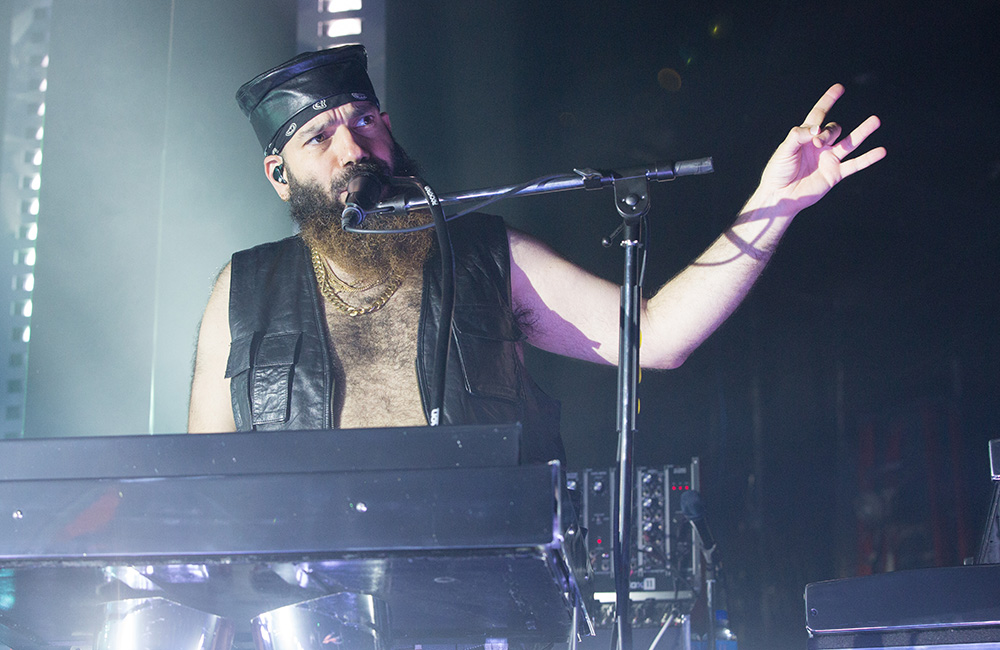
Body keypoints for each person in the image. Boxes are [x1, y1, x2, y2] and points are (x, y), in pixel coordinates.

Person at [187, 44, 885, 464]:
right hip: (304, 609)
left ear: (388, 129)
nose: (352, 149)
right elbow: (203, 475)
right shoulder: (243, 290)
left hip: (475, 597)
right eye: (318, 138)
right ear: (279, 175)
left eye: (364, 121)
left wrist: (774, 204)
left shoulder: (490, 257)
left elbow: (656, 337)